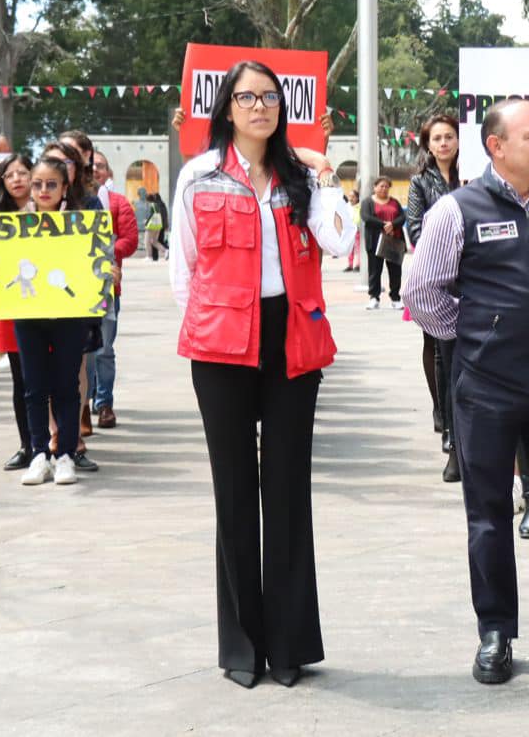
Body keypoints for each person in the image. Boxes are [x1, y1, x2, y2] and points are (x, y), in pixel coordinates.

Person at [406, 98, 529, 687]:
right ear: (496, 147)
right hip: (485, 389)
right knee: (489, 513)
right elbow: (423, 292)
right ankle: (495, 631)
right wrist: (480, 337)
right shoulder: (456, 210)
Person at [171, 60, 354, 688]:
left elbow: (340, 244)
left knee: (286, 490)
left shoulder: (299, 175)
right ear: (227, 107)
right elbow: (185, 268)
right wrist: (206, 329)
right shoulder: (198, 176)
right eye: (247, 97)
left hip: (291, 341)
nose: (259, 107)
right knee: (233, 493)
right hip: (220, 344)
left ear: (283, 107)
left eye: (270, 98)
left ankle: (290, 646)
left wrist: (326, 175)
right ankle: (243, 647)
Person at [10, 154, 95, 489]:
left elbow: (93, 262)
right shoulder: (14, 223)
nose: (43, 190)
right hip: (29, 314)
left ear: (64, 187)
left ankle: (65, 456)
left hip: (69, 315)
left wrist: (106, 270)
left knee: (66, 387)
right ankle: (38, 454)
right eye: (37, 184)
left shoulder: (80, 221)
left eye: (51, 184)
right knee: (33, 387)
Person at [405, 113, 462, 482]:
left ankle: (457, 427)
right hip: (436, 273)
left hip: (471, 274)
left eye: (449, 137)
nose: (443, 144)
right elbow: (413, 225)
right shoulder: (420, 182)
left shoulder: (472, 175)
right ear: (428, 144)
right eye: (436, 138)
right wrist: (443, 233)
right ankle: (444, 419)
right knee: (441, 351)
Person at [0, 155, 38, 470]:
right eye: (9, 175)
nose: (17, 179)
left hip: (48, 306)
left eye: (22, 173)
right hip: (13, 306)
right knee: (21, 380)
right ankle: (27, 444)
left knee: (52, 379)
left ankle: (58, 443)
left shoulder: (50, 214)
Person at [77, 149, 136, 429]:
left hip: (109, 287)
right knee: (84, 353)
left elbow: (130, 239)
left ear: (108, 173)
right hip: (78, 286)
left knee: (104, 350)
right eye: (92, 166)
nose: (95, 170)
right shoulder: (73, 202)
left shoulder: (118, 202)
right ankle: (83, 406)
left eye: (100, 166)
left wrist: (104, 252)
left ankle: (105, 403)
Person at [360, 177, 405, 309]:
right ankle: (374, 297)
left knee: (395, 271)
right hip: (375, 241)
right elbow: (366, 218)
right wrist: (384, 225)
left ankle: (395, 298)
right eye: (381, 186)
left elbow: (402, 217)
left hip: (394, 240)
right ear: (374, 187)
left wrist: (393, 224)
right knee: (375, 270)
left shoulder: (395, 202)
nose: (384, 189)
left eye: (386, 186)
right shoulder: (367, 202)